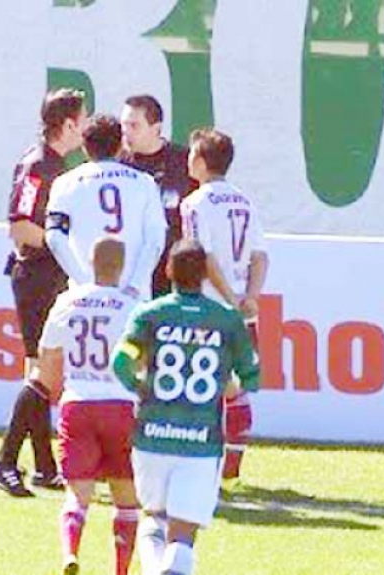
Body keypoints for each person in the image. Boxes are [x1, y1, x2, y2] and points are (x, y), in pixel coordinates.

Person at [112, 240, 261, 575]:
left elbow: (121, 363)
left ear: (167, 270)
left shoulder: (149, 314)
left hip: (152, 434)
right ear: (207, 274)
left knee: (154, 517)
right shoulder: (226, 320)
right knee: (183, 534)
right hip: (201, 443)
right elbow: (252, 376)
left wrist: (141, 389)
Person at [0, 88, 87, 497]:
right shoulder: (39, 165)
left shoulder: (55, 163)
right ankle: (5, 460)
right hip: (36, 275)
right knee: (41, 371)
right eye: (83, 117)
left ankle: (44, 466)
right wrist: (64, 246)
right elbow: (21, 226)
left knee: (43, 371)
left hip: (48, 275)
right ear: (68, 124)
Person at [37, 236, 141, 575]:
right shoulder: (131, 305)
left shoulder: (68, 302)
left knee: (77, 494)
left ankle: (70, 552)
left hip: (79, 402)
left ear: (90, 264)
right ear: (122, 267)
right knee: (126, 495)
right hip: (120, 405)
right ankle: (121, 570)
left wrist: (55, 392)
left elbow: (49, 354)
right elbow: (144, 360)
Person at [179, 128, 269, 481]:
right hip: (242, 312)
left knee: (199, 386)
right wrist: (251, 297)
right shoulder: (244, 201)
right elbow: (260, 256)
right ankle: (230, 466)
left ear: (201, 161)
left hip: (211, 308)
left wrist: (229, 299)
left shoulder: (195, 203)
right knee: (233, 388)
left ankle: (203, 466)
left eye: (191, 154)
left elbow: (202, 256)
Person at [46, 114, 167, 300]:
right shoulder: (145, 182)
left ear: (84, 147)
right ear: (120, 146)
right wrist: (135, 285)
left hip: (84, 298)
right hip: (133, 297)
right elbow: (155, 239)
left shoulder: (65, 183)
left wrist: (84, 284)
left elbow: (54, 237)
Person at [119, 94, 198, 298]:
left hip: (172, 272)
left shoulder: (183, 161)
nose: (126, 133)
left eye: (134, 126)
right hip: (129, 272)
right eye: (124, 125)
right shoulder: (117, 165)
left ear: (156, 128)